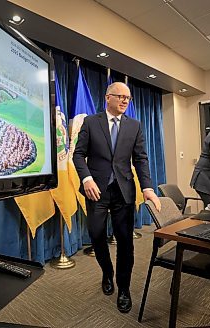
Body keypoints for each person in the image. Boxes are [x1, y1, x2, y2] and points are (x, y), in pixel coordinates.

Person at [73, 82, 161, 313]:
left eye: (128, 98)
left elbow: (141, 159)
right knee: (96, 234)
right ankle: (106, 272)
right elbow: (79, 154)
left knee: (125, 241)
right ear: (107, 97)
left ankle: (124, 288)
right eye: (120, 96)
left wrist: (147, 187)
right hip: (97, 189)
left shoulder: (135, 125)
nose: (124, 101)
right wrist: (87, 179)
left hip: (124, 191)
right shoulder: (91, 122)